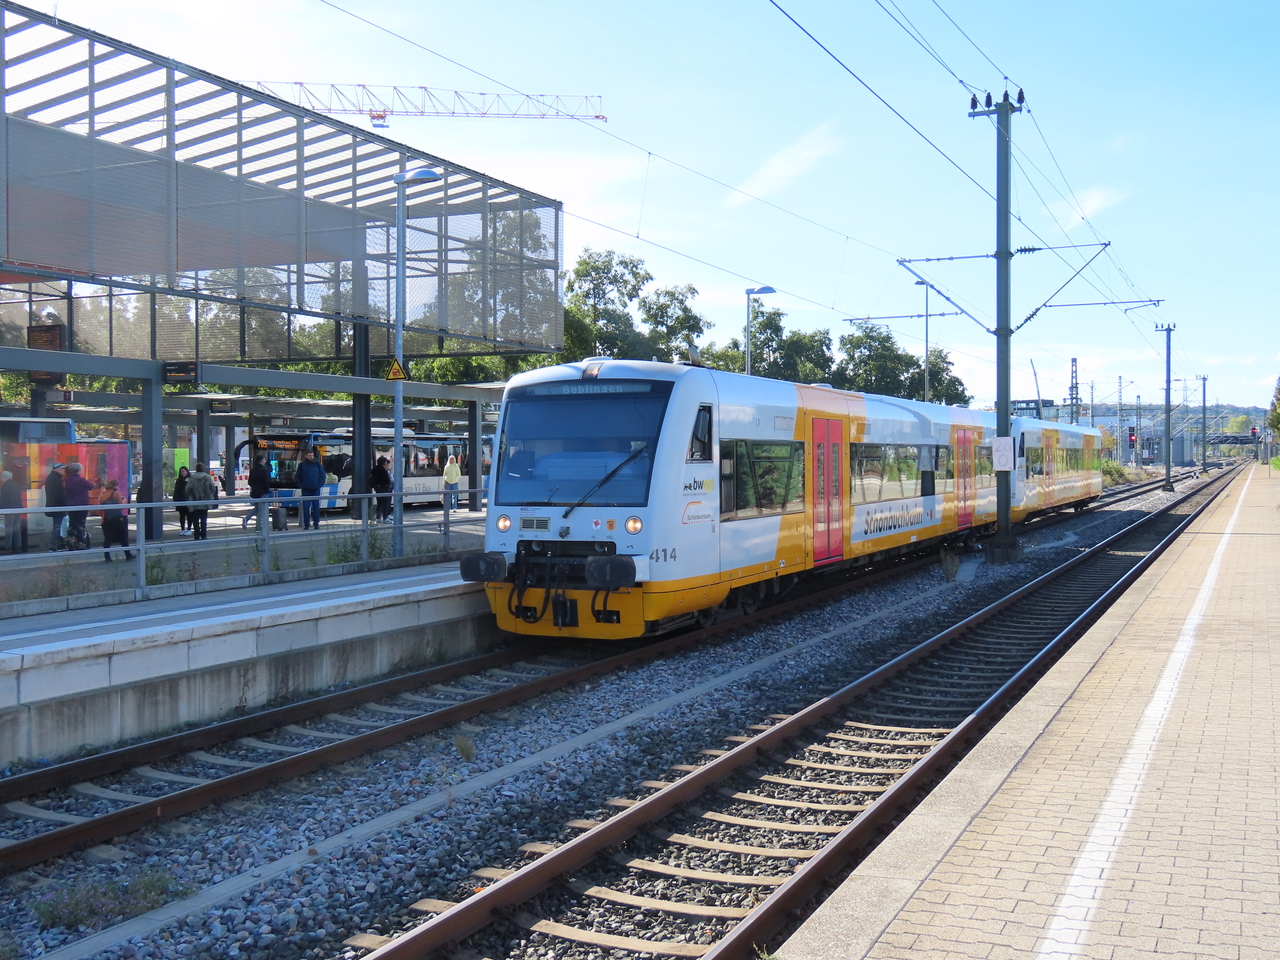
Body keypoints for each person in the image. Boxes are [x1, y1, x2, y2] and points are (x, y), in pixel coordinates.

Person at [99, 479, 134, 562]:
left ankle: (107, 557)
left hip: (106, 520)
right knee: (123, 537)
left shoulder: (102, 495)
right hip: (116, 519)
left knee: (107, 539)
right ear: (115, 486)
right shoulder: (116, 493)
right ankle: (128, 554)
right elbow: (121, 506)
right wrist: (124, 500)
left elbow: (100, 510)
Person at [63, 462, 94, 549]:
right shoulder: (81, 480)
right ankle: (81, 542)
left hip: (71, 505)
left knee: (72, 524)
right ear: (79, 470)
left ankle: (71, 543)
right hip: (82, 505)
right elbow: (91, 486)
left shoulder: (67, 480)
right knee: (80, 524)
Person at [184, 462, 218, 541]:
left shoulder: (192, 478)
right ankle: (203, 535)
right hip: (205, 502)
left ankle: (196, 535)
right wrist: (209, 494)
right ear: (203, 468)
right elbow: (212, 488)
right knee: (204, 519)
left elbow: (187, 490)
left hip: (194, 502)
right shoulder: (207, 477)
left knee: (195, 519)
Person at [295, 448, 326, 530]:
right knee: (306, 508)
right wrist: (301, 485)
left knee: (316, 508)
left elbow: (323, 475)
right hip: (306, 489)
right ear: (306, 456)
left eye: (312, 455)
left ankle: (316, 523)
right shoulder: (302, 465)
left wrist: (319, 485)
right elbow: (297, 476)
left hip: (315, 489)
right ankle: (306, 524)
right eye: (309, 455)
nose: (311, 457)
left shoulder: (317, 464)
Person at [243, 455, 272, 529]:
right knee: (261, 510)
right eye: (264, 460)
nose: (265, 461)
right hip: (263, 493)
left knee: (257, 508)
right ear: (262, 461)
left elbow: (249, 482)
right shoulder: (264, 470)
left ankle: (247, 519)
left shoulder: (253, 470)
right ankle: (258, 527)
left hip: (255, 493)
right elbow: (266, 482)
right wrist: (267, 490)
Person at [43, 461, 67, 551]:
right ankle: (54, 546)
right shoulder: (56, 479)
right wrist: (65, 504)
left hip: (54, 506)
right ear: (57, 469)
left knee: (57, 526)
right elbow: (60, 495)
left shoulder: (52, 478)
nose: (64, 470)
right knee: (57, 527)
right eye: (62, 469)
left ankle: (56, 545)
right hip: (58, 506)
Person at [1, 470, 23, 553]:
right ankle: (18, 547)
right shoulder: (17, 484)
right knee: (16, 528)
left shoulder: (5, 486)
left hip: (9, 509)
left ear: (4, 478)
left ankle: (8, 547)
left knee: (9, 529)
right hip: (18, 508)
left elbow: (3, 499)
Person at [369, 455, 392, 523]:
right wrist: (388, 483)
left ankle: (378, 518)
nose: (386, 463)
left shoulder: (375, 469)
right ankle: (385, 518)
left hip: (378, 489)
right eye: (385, 462)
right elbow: (385, 480)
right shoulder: (381, 470)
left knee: (379, 504)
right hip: (383, 489)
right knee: (385, 503)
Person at [173, 465, 192, 536]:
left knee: (189, 515)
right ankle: (183, 529)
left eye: (184, 471)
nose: (182, 473)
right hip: (180, 500)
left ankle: (189, 529)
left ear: (187, 472)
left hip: (187, 500)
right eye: (181, 472)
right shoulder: (179, 480)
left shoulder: (190, 480)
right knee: (182, 516)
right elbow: (176, 490)